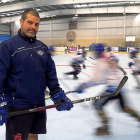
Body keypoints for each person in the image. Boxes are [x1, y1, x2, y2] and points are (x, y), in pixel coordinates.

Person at [0, 9, 73, 140]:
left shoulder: (42, 48)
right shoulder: (8, 46)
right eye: (30, 23)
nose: (33, 27)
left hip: (39, 104)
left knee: (33, 135)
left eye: (36, 24)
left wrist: (56, 92)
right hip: (18, 106)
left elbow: (50, 72)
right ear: (21, 21)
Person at [75, 43, 140, 136]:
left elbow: (95, 78)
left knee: (97, 104)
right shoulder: (108, 59)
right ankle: (138, 118)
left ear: (97, 52)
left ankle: (105, 127)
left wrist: (83, 85)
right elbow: (110, 73)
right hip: (120, 87)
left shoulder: (101, 62)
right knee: (123, 107)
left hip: (112, 89)